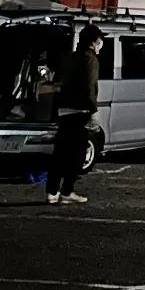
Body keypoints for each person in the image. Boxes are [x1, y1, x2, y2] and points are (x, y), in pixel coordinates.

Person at [47, 24, 103, 206]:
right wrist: (92, 110)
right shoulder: (90, 59)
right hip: (80, 111)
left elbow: (60, 81)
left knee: (60, 152)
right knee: (77, 154)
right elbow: (89, 86)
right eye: (99, 41)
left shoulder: (72, 57)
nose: (100, 45)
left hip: (64, 109)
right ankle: (67, 191)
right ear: (94, 42)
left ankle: (52, 191)